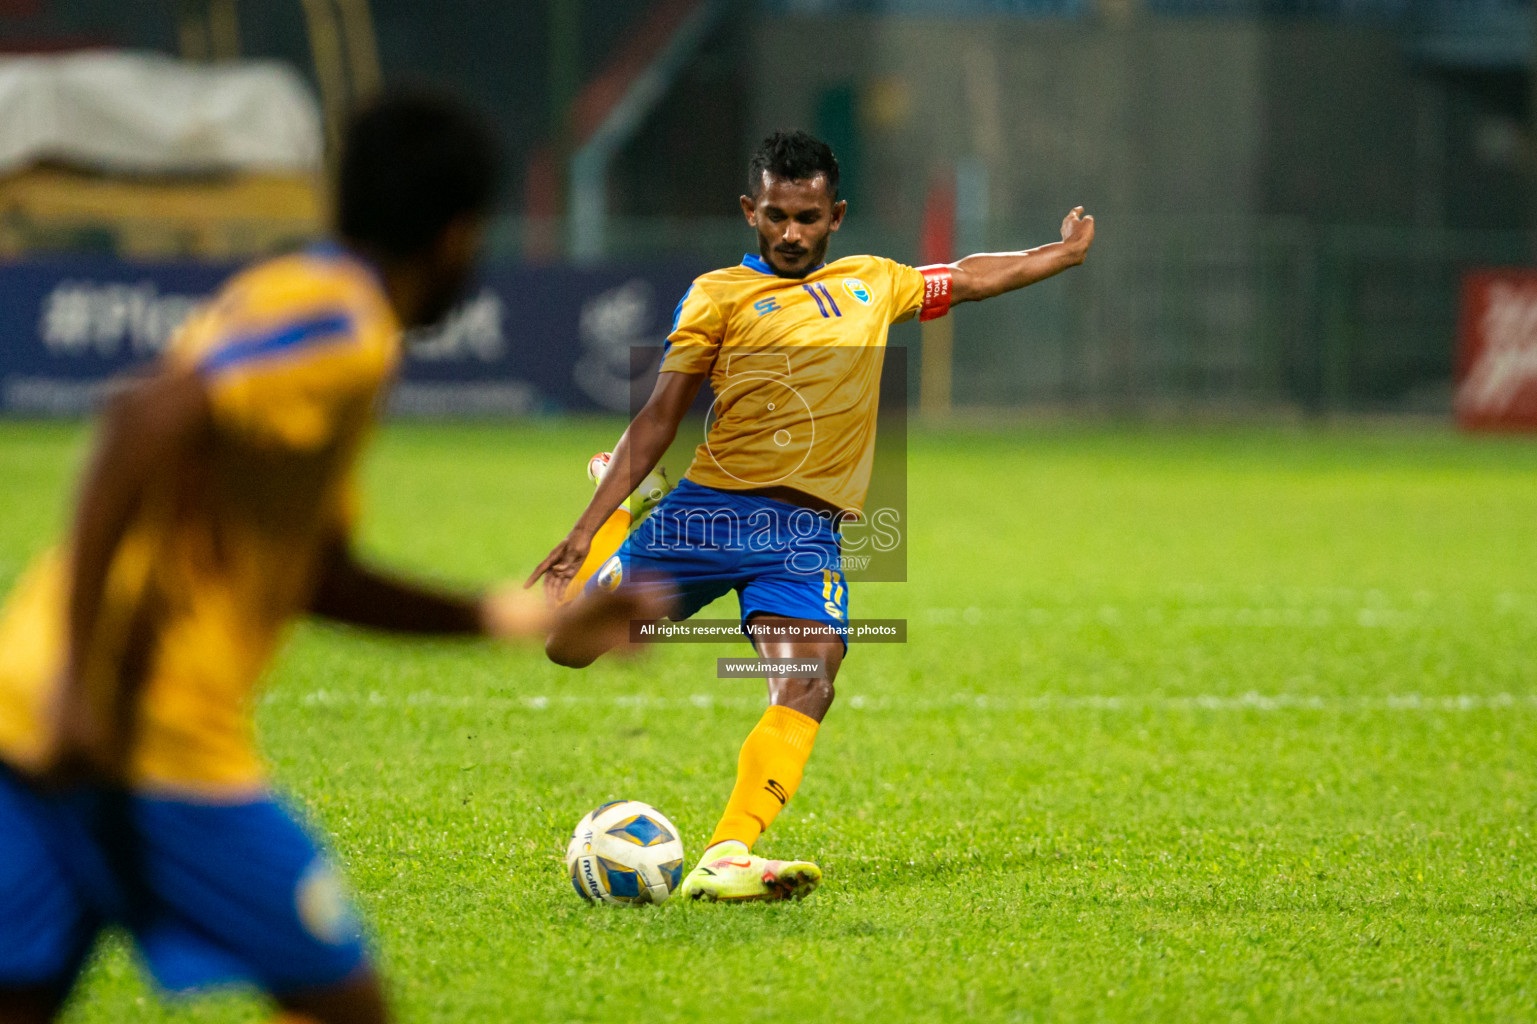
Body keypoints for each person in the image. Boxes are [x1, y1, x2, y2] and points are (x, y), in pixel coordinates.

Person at [0, 92, 552, 1024]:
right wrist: (82, 689)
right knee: (348, 1004)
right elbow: (143, 416)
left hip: (27, 712)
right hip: (147, 741)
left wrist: (510, 614)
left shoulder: (301, 292)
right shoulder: (341, 329)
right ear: (458, 237)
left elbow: (318, 575)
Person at [528, 129, 1096, 902]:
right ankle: (638, 522)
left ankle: (726, 855)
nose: (789, 232)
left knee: (810, 676)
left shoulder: (874, 283)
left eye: (805, 216)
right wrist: (585, 529)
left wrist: (1053, 257)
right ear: (749, 212)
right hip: (705, 514)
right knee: (566, 647)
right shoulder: (717, 293)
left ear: (835, 216)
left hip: (801, 536)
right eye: (774, 216)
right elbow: (660, 415)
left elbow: (963, 277)